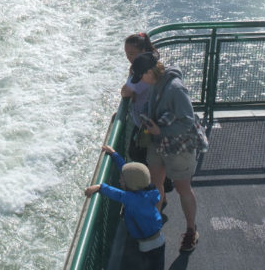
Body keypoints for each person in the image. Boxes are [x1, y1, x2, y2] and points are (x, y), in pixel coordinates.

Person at [131, 52, 201, 253]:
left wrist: (160, 130)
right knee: (156, 184)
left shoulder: (175, 88)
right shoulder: (156, 82)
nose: (142, 81)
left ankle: (191, 231)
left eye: (141, 76)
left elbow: (188, 121)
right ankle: (154, 224)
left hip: (178, 146)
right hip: (158, 142)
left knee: (183, 189)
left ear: (150, 71)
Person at [85, 145, 165, 270]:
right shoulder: (147, 191)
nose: (120, 179)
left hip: (147, 245)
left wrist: (100, 187)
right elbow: (128, 171)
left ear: (130, 184)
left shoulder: (132, 199)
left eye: (122, 178)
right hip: (158, 239)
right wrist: (114, 154)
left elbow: (117, 194)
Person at [121, 33, 157, 163]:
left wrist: (129, 86)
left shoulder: (145, 72)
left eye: (132, 53)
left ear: (143, 51)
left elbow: (125, 92)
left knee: (139, 156)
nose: (128, 57)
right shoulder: (150, 62)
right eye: (126, 53)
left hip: (147, 123)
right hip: (146, 120)